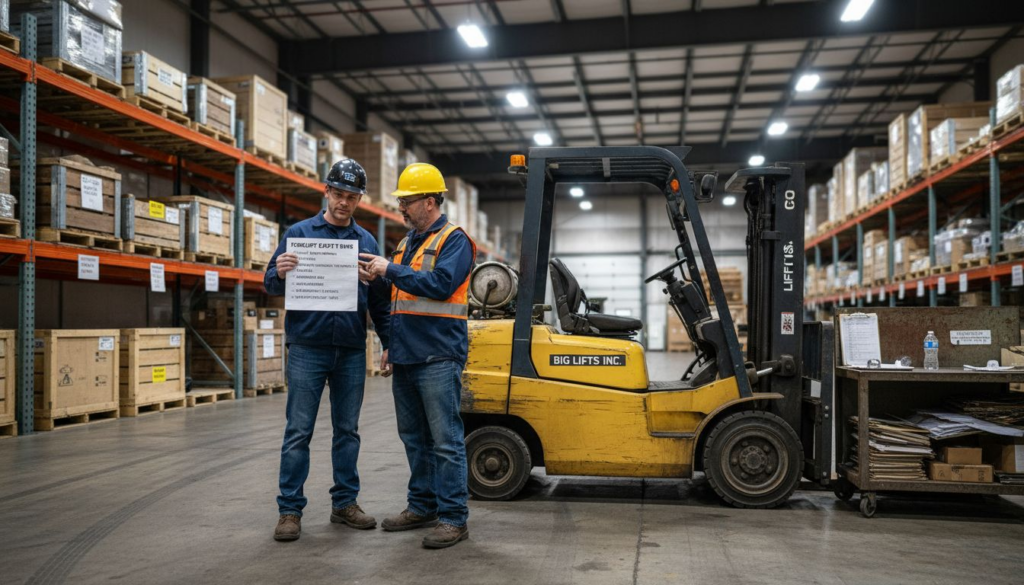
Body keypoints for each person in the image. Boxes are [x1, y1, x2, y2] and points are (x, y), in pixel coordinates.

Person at [265, 159, 392, 542]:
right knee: (298, 431)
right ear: (326, 192)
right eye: (338, 194)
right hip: (307, 347)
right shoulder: (299, 234)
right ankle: (289, 510)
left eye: (352, 197)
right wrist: (280, 270)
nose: (344, 203)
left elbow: (381, 303)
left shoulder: (366, 242)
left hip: (351, 349)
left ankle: (344, 504)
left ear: (358, 200)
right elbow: (271, 283)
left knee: (347, 431)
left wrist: (388, 343)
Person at [358, 162, 476, 549]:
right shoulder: (406, 243)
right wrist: (390, 345)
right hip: (407, 355)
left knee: (445, 440)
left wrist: (389, 269)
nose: (401, 209)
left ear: (429, 201)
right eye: (401, 202)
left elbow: (441, 286)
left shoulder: (455, 240)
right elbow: (400, 302)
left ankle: (453, 517)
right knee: (413, 437)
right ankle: (422, 504)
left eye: (407, 202)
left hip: (439, 355)